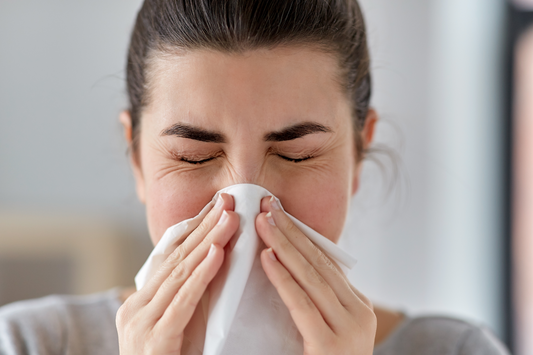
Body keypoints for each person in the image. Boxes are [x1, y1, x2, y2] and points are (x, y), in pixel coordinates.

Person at [0, 0, 510, 354]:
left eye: (297, 153)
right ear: (137, 158)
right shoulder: (31, 343)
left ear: (359, 150)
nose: (243, 206)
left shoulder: (456, 350)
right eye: (195, 156)